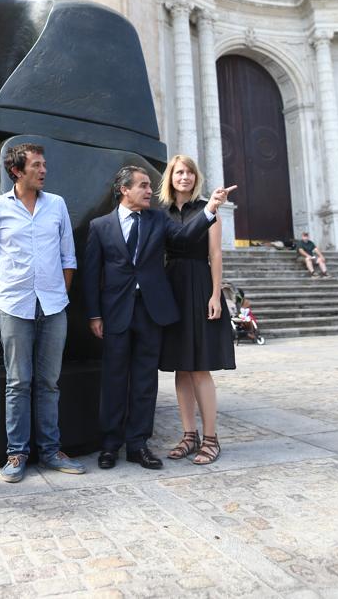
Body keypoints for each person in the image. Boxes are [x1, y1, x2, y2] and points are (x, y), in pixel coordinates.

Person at [83, 164, 234, 471]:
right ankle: (110, 445)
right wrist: (95, 314)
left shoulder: (158, 219)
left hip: (151, 312)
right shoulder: (100, 226)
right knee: (113, 379)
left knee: (144, 381)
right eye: (142, 185)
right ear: (124, 190)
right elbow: (91, 273)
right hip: (115, 313)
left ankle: (138, 444)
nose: (149, 190)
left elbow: (183, 237)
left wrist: (210, 210)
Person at [0, 143, 86, 483]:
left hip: (54, 307)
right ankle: (17, 453)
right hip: (13, 306)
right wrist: (5, 289)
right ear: (16, 171)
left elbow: (69, 257)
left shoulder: (57, 205)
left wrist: (59, 292)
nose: (43, 170)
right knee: (18, 382)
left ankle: (51, 451)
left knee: (49, 383)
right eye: (36, 165)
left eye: (43, 164)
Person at [159, 155, 236, 466]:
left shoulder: (209, 209)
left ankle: (211, 438)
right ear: (171, 177)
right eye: (179, 172)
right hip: (171, 287)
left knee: (199, 366)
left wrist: (216, 294)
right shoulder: (160, 211)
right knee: (180, 366)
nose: (185, 177)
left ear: (196, 177)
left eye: (190, 172)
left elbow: (215, 254)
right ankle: (189, 435)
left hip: (200, 285)